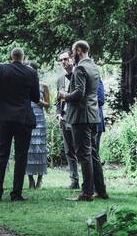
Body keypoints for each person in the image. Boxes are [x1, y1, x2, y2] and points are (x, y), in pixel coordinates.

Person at [0, 47, 40, 202]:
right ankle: (16, 193)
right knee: (21, 156)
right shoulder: (31, 73)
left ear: (11, 57)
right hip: (23, 118)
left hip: (4, 117)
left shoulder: (2, 69)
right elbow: (35, 97)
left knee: (1, 155)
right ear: (23, 57)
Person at [57, 40, 108, 201]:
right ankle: (101, 190)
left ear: (79, 51)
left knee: (84, 154)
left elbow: (79, 93)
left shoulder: (80, 68)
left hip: (81, 116)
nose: (72, 56)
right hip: (93, 115)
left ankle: (87, 193)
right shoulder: (94, 66)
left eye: (72, 52)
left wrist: (64, 95)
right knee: (93, 154)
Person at [25, 62, 51, 189]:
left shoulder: (43, 86)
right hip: (26, 118)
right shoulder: (23, 85)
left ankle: (40, 178)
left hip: (40, 119)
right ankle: (30, 179)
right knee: (28, 149)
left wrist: (38, 101)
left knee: (40, 149)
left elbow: (48, 105)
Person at [56, 51, 79, 189]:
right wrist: (58, 114)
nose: (63, 62)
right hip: (64, 118)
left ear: (72, 59)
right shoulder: (60, 79)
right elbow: (57, 100)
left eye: (65, 59)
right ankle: (74, 180)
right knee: (69, 150)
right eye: (61, 60)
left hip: (77, 117)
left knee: (81, 150)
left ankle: (88, 181)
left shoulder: (78, 75)